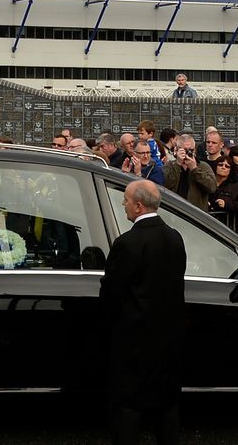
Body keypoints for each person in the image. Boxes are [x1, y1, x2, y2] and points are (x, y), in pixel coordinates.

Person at [100, 180, 185, 445]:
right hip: (168, 337)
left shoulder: (128, 243)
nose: (123, 204)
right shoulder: (174, 237)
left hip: (133, 338)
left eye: (125, 200)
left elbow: (112, 293)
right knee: (167, 404)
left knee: (127, 405)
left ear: (138, 206)